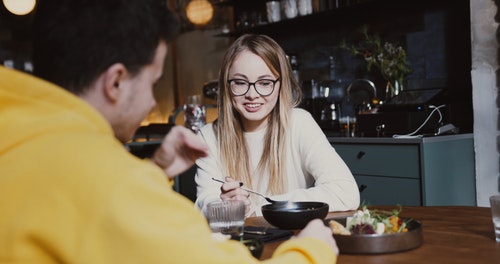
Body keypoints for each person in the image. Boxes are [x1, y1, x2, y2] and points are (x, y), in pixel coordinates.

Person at [0, 0, 339, 263]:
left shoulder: (17, 131)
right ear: (115, 82)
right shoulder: (107, 181)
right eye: (153, 82)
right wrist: (311, 250)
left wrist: (149, 174)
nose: (151, 102)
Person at [195, 34, 360, 217]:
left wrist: (261, 209)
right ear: (226, 86)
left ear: (281, 85)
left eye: (265, 83)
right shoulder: (208, 136)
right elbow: (205, 204)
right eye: (240, 83)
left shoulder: (299, 123)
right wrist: (223, 205)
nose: (252, 94)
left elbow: (345, 192)